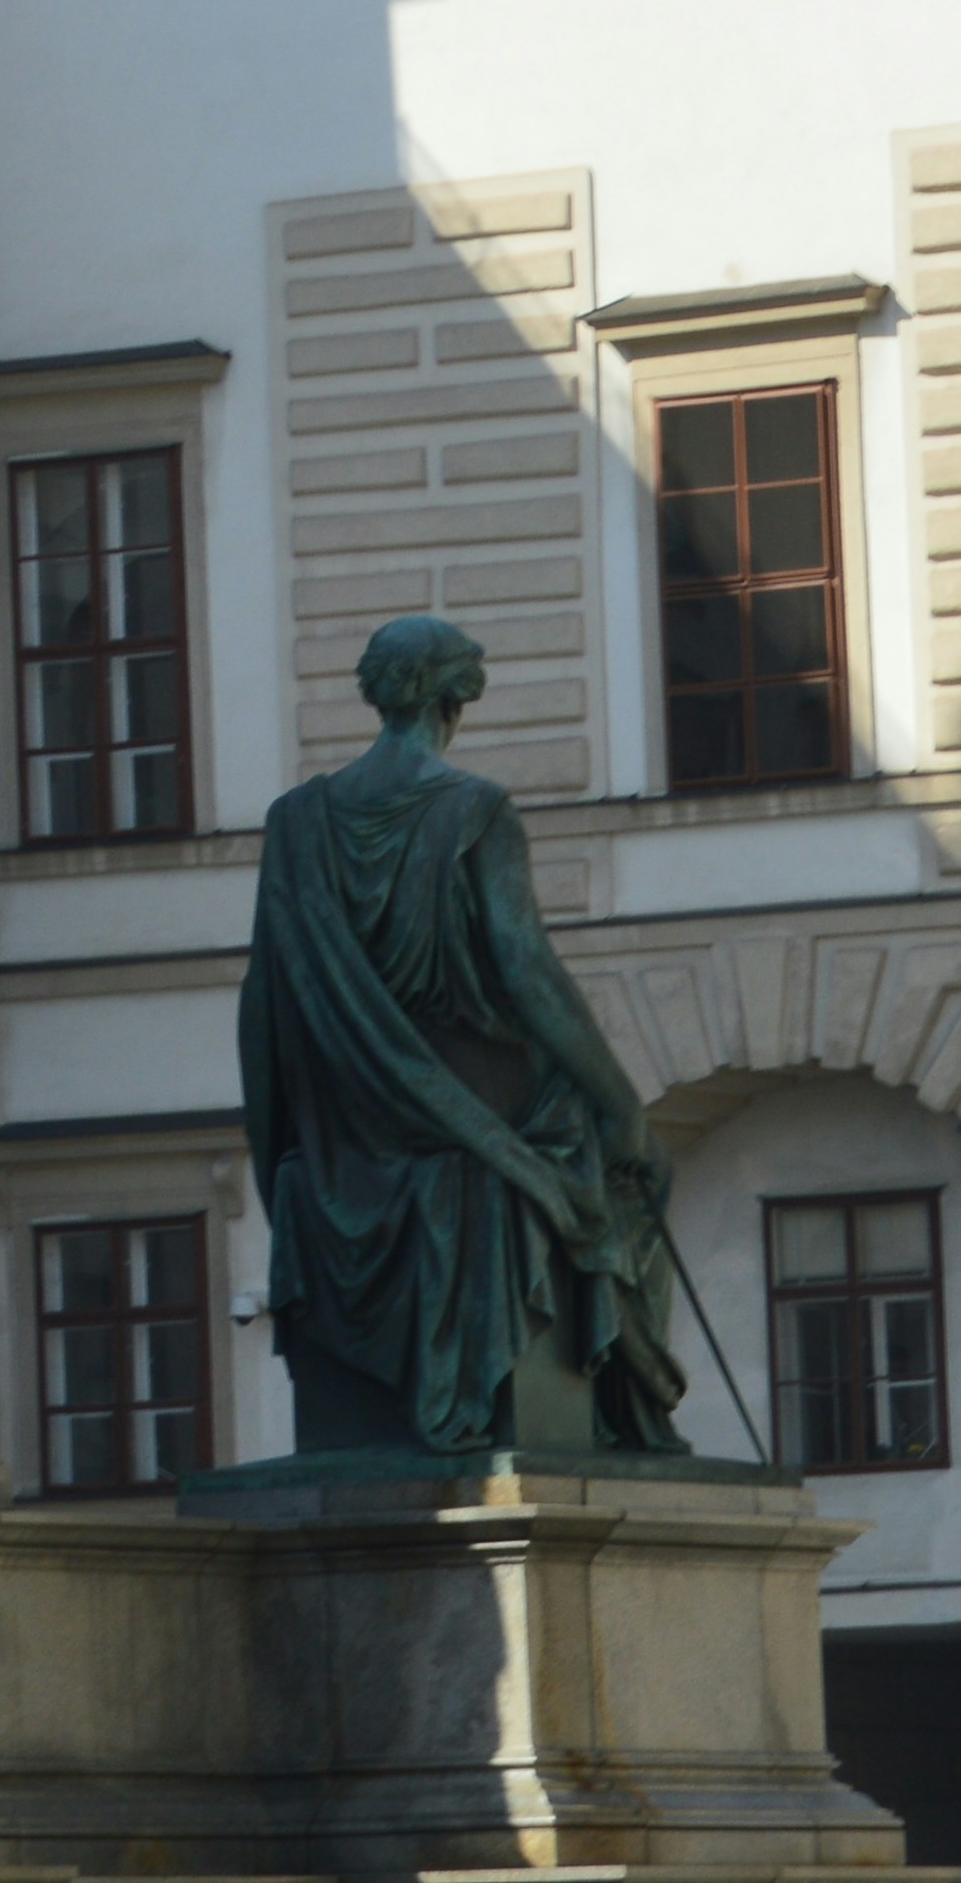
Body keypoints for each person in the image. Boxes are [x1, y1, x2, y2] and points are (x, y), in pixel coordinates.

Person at [239, 613, 685, 1459]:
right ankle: (630, 1407)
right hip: (465, 1089)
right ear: (456, 699)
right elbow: (527, 972)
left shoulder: (294, 823)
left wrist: (284, 1147)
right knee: (636, 1168)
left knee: (586, 1148)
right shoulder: (473, 808)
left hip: (345, 1119)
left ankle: (618, 1404)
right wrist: (618, 1099)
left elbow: (264, 1003)